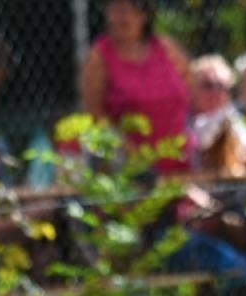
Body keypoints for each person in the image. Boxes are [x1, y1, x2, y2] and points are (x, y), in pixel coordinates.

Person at [79, 0, 191, 174]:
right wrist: (126, 151)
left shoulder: (166, 48)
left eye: (127, 10)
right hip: (131, 171)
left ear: (144, 15)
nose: (120, 17)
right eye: (114, 10)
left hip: (181, 161)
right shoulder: (99, 58)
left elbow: (191, 89)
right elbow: (94, 114)